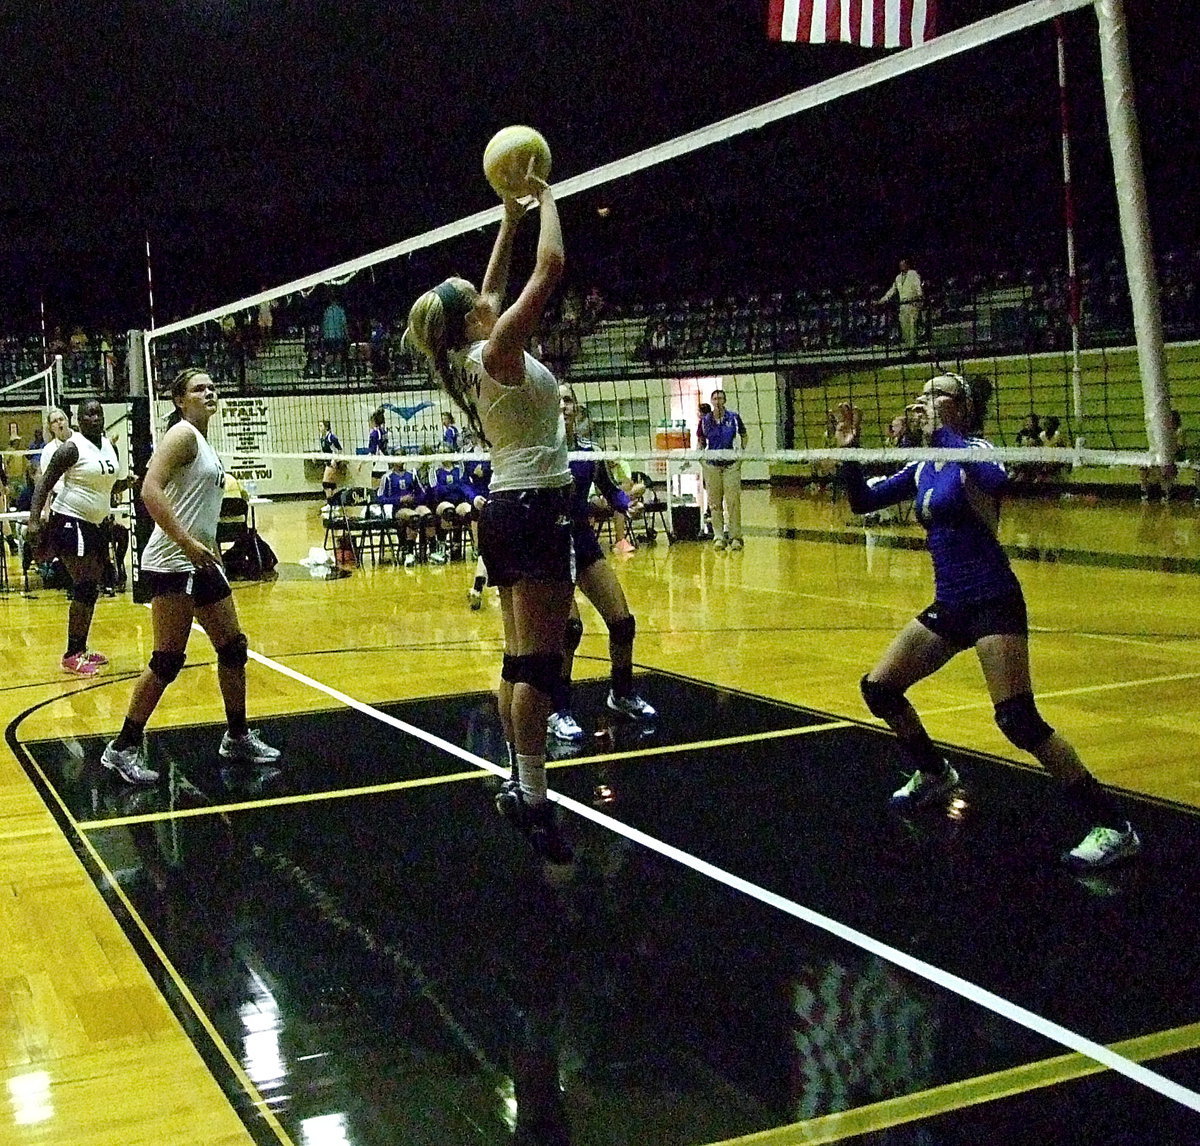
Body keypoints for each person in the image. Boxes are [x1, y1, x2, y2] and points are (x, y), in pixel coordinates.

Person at [833, 374, 1140, 870]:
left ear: (962, 408)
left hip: (994, 600)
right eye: (923, 393)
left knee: (1017, 719)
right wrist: (849, 453)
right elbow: (862, 501)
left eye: (936, 395)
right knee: (880, 689)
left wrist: (944, 437)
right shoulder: (924, 464)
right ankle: (934, 773)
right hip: (951, 604)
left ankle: (1113, 826)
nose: (922, 400)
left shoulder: (976, 450)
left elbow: (1000, 482)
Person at [404, 169, 573, 863]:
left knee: (518, 658)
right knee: (538, 664)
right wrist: (549, 197)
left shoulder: (477, 348)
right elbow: (553, 265)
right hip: (534, 509)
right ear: (473, 316)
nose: (486, 295)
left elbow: (496, 287)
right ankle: (533, 799)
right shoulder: (499, 347)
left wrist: (508, 218)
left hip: (512, 508)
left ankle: (520, 779)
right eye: (478, 299)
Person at [101, 369, 280, 786]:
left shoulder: (204, 444)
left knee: (233, 648)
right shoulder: (181, 435)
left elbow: (196, 505)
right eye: (199, 388)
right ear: (180, 400)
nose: (209, 391)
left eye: (212, 385)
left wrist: (212, 549)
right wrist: (185, 543)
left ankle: (236, 737)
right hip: (171, 563)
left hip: (200, 563)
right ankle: (122, 748)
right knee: (167, 660)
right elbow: (150, 490)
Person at [548, 384, 656, 744]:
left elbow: (611, 490)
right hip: (551, 546)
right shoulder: (541, 451)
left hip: (582, 540)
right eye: (558, 399)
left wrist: (627, 504)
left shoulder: (589, 453)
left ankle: (621, 693)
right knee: (570, 630)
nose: (563, 405)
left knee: (623, 622)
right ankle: (556, 709)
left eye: (568, 400)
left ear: (576, 409)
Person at [26, 399, 124, 676]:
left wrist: (129, 483)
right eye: (88, 414)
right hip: (70, 521)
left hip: (96, 523)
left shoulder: (108, 445)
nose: (94, 418)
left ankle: (80, 648)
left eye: (98, 413)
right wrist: (34, 521)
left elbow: (107, 483)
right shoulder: (71, 448)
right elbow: (44, 483)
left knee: (91, 587)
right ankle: (71, 655)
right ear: (78, 420)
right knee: (84, 586)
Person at [696, 388, 748, 551]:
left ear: (724, 401)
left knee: (733, 502)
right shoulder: (705, 421)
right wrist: (701, 459)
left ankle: (735, 537)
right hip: (712, 465)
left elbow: (744, 435)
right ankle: (718, 537)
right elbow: (701, 440)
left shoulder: (733, 417)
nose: (717, 401)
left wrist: (741, 454)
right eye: (715, 398)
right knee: (714, 504)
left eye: (720, 398)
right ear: (712, 401)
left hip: (731, 465)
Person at [877, 258, 924, 351]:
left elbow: (918, 288)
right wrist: (881, 300)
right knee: (904, 327)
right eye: (900, 265)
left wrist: (919, 297)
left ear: (907, 265)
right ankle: (908, 347)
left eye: (903, 265)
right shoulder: (898, 278)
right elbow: (892, 291)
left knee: (912, 326)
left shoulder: (913, 274)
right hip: (902, 305)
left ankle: (913, 348)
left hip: (912, 304)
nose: (901, 267)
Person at [1139, 409, 1185, 504]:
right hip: (1159, 455)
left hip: (1173, 455)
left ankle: (1166, 492)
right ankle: (1144, 491)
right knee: (1143, 467)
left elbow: (1180, 447)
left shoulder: (1179, 431)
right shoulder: (1161, 431)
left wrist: (1168, 451)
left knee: (1162, 467)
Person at [317, 419, 345, 510]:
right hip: (328, 462)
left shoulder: (331, 437)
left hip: (334, 462)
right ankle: (335, 504)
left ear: (326, 427)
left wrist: (335, 460)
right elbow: (325, 451)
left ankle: (330, 504)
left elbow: (339, 449)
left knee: (325, 483)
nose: (319, 428)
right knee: (332, 484)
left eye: (321, 426)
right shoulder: (322, 437)